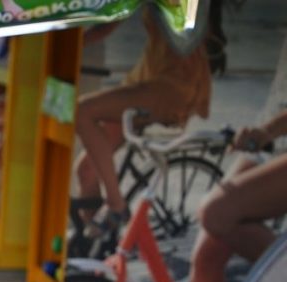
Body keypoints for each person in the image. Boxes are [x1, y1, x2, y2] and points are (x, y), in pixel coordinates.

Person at [73, 4, 221, 234]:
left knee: (83, 111)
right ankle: (94, 245)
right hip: (147, 77)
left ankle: (116, 204)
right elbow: (109, 20)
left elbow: (112, 19)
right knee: (87, 170)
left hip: (173, 85)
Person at [188, 110, 287, 282]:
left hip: (273, 132)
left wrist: (269, 129)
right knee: (206, 256)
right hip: (268, 137)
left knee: (216, 213)